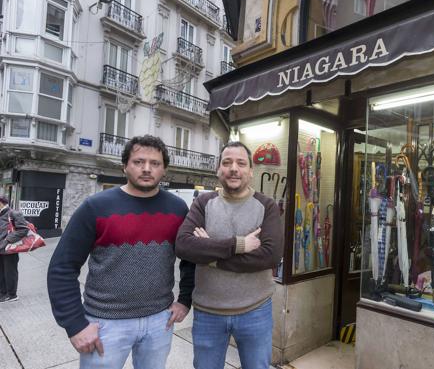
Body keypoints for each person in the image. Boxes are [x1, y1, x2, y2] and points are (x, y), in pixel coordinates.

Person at [47, 135, 195, 369]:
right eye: (138, 162)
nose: (147, 169)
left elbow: (190, 258)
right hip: (105, 323)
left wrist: (185, 300)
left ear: (164, 169)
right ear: (125, 166)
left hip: (159, 321)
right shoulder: (95, 207)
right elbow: (62, 267)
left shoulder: (177, 209)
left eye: (155, 163)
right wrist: (75, 325)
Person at [176, 141, 283, 369]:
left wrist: (210, 256)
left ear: (250, 172)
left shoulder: (267, 206)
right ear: (218, 170)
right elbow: (184, 246)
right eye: (227, 162)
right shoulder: (203, 203)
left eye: (241, 163)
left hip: (256, 311)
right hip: (208, 313)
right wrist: (240, 244)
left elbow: (269, 257)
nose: (234, 168)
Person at [0, 195, 29, 303]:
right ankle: (2, 293)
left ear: (1, 203)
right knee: (1, 272)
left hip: (9, 249)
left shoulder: (14, 213)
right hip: (1, 249)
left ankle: (12, 294)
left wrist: (7, 240)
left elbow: (23, 230)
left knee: (9, 272)